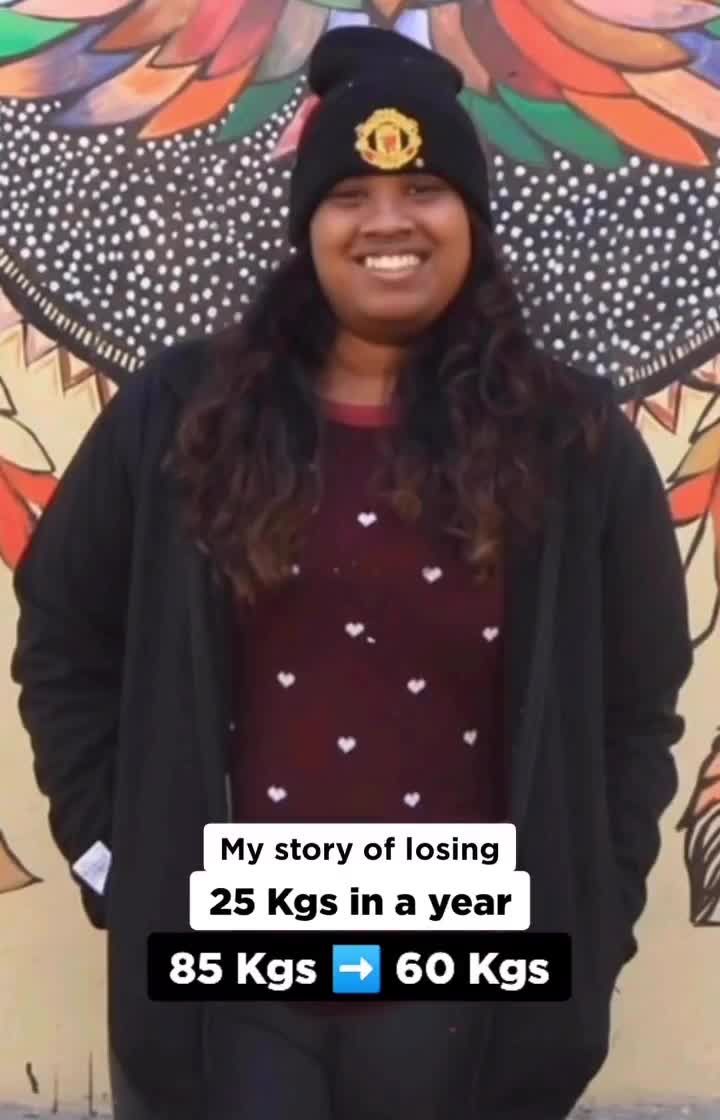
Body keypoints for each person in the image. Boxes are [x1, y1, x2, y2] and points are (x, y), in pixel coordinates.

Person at [10, 24, 692, 1120]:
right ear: (307, 226)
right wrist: (115, 863)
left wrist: (593, 910)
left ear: (471, 216)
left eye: (424, 188)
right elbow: (64, 639)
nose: (388, 222)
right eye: (350, 195)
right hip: (234, 963)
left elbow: (635, 702)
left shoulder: (571, 441)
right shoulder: (184, 415)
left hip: (474, 959)